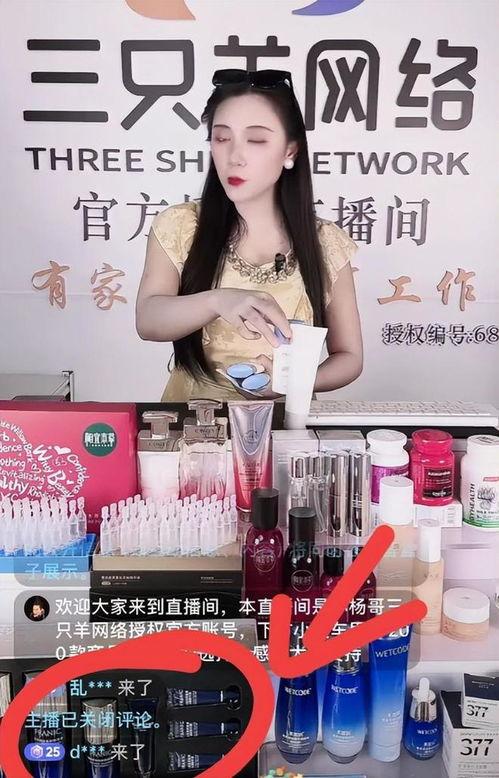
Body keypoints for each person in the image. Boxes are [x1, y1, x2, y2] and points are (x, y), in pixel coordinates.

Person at [136, 69, 363, 401]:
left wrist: (290, 382)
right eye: (221, 138)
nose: (235, 157)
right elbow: (148, 319)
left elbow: (349, 357)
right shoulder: (181, 226)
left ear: (290, 151)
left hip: (283, 421)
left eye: (256, 140)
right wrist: (217, 300)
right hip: (192, 419)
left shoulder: (326, 243)